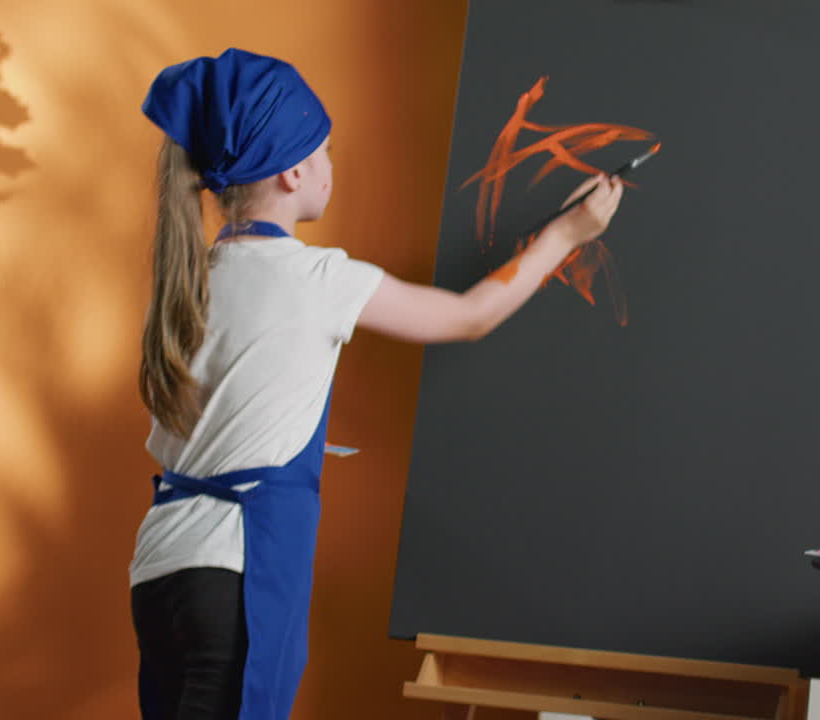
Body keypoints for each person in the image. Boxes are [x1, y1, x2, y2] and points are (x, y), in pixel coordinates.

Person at [130, 47, 623, 720]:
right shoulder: (319, 279)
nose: (333, 164)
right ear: (293, 171)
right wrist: (569, 233)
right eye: (325, 149)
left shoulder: (193, 281)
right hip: (237, 575)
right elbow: (468, 316)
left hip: (161, 566)